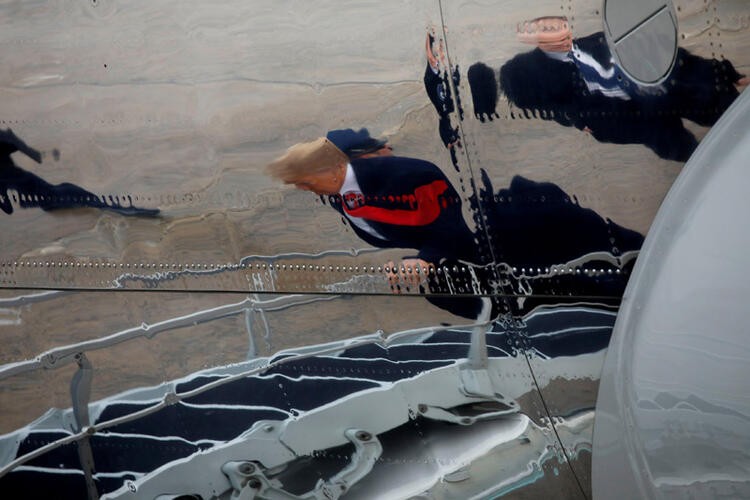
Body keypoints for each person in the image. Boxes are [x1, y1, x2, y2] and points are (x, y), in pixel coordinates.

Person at [267, 135, 644, 317]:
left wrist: (429, 258)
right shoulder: (342, 197)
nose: (389, 153)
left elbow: (446, 221)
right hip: (491, 275)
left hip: (520, 241)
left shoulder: (411, 178)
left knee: (609, 274)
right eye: (378, 150)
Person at [469, 16, 748, 162]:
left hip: (639, 97)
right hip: (653, 85)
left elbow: (660, 133)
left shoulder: (582, 109)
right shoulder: (578, 58)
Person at [0, 129, 159, 216]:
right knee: (94, 202)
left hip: (48, 200)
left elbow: (8, 208)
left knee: (94, 203)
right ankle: (129, 211)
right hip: (51, 194)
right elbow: (36, 157)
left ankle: (128, 211)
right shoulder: (7, 149)